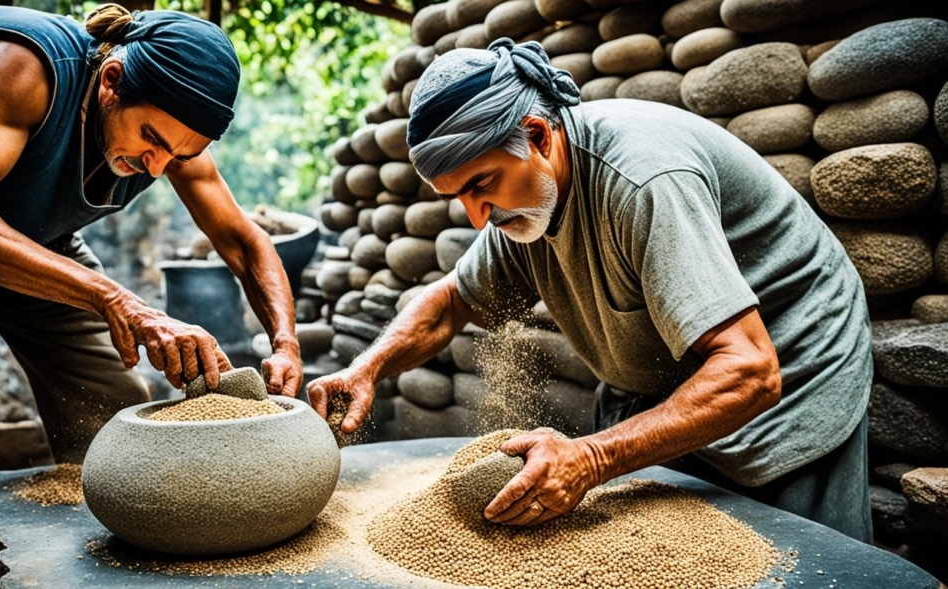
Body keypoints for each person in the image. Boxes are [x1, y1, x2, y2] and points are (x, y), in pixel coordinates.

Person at [309, 39, 873, 543]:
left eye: (481, 185)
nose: (478, 217)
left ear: (537, 135)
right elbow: (452, 302)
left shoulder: (645, 180)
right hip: (673, 382)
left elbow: (750, 371)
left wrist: (593, 455)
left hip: (790, 370)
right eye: (459, 196)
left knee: (802, 559)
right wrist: (368, 367)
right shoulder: (522, 202)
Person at [0, 3, 302, 582]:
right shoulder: (28, 65)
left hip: (37, 240)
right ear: (111, 81)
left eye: (178, 154)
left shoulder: (170, 134)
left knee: (118, 422)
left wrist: (286, 340)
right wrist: (117, 298)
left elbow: (242, 240)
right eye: (151, 140)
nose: (156, 166)